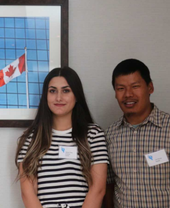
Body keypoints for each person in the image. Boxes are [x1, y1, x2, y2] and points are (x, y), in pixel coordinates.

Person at [104, 59, 170, 208]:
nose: (128, 94)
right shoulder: (109, 136)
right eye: (121, 88)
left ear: (150, 87)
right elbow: (109, 186)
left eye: (135, 86)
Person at [15, 66, 108, 208]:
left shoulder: (93, 134)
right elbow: (27, 193)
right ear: (45, 96)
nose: (59, 97)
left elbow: (98, 189)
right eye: (52, 91)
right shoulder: (31, 138)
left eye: (66, 91)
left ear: (76, 95)